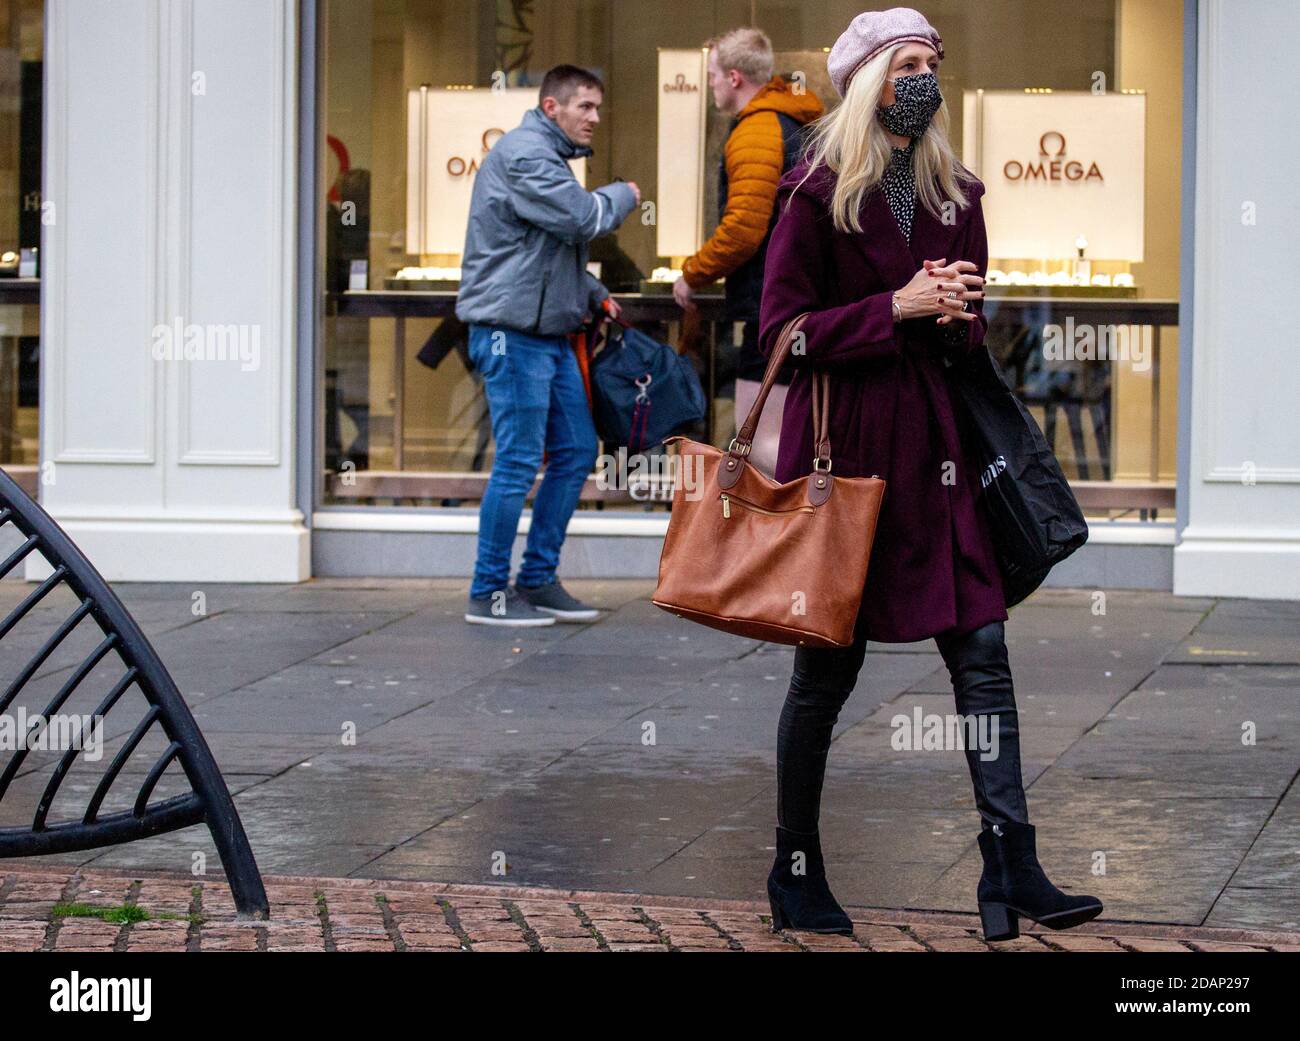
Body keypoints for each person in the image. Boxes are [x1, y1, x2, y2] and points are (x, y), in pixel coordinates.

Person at [757, 8, 1103, 941]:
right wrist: (893, 306)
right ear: (867, 78)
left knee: (983, 654)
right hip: (855, 460)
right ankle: (794, 867)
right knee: (826, 671)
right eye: (907, 62)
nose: (925, 76)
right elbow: (780, 333)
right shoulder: (814, 190)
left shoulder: (958, 191)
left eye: (933, 62)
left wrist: (956, 313)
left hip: (943, 455)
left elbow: (962, 327)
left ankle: (1012, 863)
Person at [457, 65, 640, 627]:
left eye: (598, 109)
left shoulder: (548, 157)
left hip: (548, 333)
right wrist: (625, 194)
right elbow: (585, 218)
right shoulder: (527, 155)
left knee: (576, 452)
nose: (594, 118)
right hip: (511, 336)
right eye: (585, 106)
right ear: (553, 106)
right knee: (516, 462)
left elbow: (538, 252)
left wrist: (591, 292)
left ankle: (536, 579)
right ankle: (488, 592)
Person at [673, 28, 824, 478]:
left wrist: (693, 274)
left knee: (762, 446)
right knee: (782, 442)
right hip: (798, 305)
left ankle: (779, 542)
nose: (712, 85)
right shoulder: (793, 120)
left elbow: (743, 229)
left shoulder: (758, 130)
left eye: (714, 75)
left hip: (771, 309)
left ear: (734, 77)